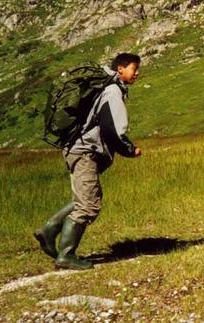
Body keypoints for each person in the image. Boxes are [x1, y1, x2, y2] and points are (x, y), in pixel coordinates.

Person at [34, 53, 143, 270]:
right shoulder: (112, 91)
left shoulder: (105, 88)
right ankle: (66, 255)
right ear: (120, 69)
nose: (137, 73)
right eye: (134, 68)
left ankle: (49, 230)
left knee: (83, 198)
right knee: (89, 205)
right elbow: (112, 130)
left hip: (77, 149)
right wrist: (130, 149)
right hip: (86, 152)